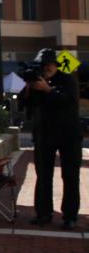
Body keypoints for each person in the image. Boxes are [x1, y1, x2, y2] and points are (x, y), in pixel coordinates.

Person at [25, 48, 81, 229]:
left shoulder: (67, 80)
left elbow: (68, 101)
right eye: (43, 65)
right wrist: (28, 88)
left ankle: (70, 216)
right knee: (43, 176)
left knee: (70, 176)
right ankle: (43, 213)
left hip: (69, 135)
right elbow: (26, 107)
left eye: (49, 64)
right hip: (44, 134)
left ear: (55, 65)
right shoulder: (36, 81)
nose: (46, 68)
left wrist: (48, 90)